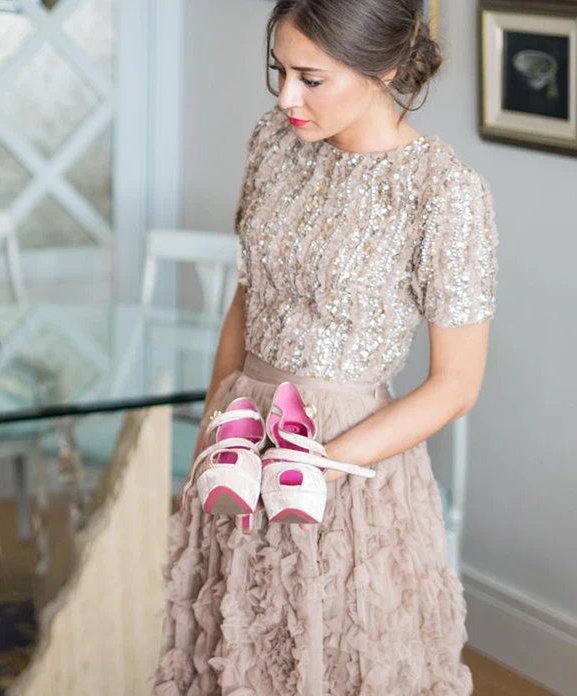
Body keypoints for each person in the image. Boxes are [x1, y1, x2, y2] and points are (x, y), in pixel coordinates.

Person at [156, 1, 495, 694]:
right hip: (241, 440)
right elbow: (246, 302)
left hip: (345, 459)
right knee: (230, 654)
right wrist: (207, 439)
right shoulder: (274, 142)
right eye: (279, 71)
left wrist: (320, 467)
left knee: (329, 660)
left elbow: (457, 386)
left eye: (311, 79)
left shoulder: (443, 192)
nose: (287, 98)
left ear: (385, 70)